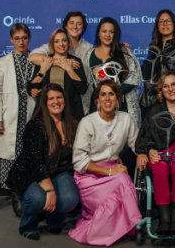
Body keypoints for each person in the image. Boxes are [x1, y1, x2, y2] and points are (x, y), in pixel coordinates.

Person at [70, 80, 142, 245]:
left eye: (112, 94)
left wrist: (143, 153)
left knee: (123, 179)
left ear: (118, 99)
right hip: (89, 177)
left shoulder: (125, 119)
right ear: (97, 100)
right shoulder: (87, 123)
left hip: (115, 173)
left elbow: (137, 144)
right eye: (103, 94)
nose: (107, 98)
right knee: (122, 180)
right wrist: (110, 172)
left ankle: (123, 227)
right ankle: (123, 228)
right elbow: (79, 162)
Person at [7, 84, 81, 240]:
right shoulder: (34, 126)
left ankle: (54, 221)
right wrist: (50, 191)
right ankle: (28, 226)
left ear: (65, 100)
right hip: (31, 174)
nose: (56, 101)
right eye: (51, 98)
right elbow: (35, 163)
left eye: (59, 97)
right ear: (44, 102)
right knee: (37, 199)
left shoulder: (73, 123)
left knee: (70, 200)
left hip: (59, 171)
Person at [134, 71, 175, 236]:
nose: (170, 89)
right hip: (160, 151)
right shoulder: (154, 110)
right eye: (166, 86)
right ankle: (164, 220)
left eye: (174, 84)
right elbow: (144, 136)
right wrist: (149, 150)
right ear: (161, 90)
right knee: (160, 168)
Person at [0, 23, 39, 218]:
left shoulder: (37, 60)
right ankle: (15, 194)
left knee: (30, 155)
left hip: (31, 113)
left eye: (24, 38)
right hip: (10, 114)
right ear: (11, 40)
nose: (21, 42)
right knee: (11, 156)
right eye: (17, 38)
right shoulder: (2, 62)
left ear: (29, 39)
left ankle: (30, 193)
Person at [81, 17, 143, 122]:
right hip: (96, 107)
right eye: (104, 31)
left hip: (121, 107)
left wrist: (114, 93)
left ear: (116, 34)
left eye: (111, 32)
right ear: (98, 33)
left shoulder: (124, 52)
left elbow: (136, 77)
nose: (107, 35)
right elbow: (87, 82)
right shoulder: (89, 54)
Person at [28, 29, 88, 120]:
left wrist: (68, 68)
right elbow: (32, 88)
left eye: (64, 40)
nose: (61, 44)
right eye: (57, 41)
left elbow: (83, 88)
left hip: (70, 113)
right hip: (46, 114)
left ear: (68, 43)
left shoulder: (75, 61)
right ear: (52, 44)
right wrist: (43, 72)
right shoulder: (45, 61)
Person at [140, 9, 175, 110]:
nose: (165, 24)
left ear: (174, 24)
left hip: (171, 101)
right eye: (161, 21)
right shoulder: (153, 47)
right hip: (150, 100)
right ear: (157, 26)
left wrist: (171, 88)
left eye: (168, 20)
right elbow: (147, 73)